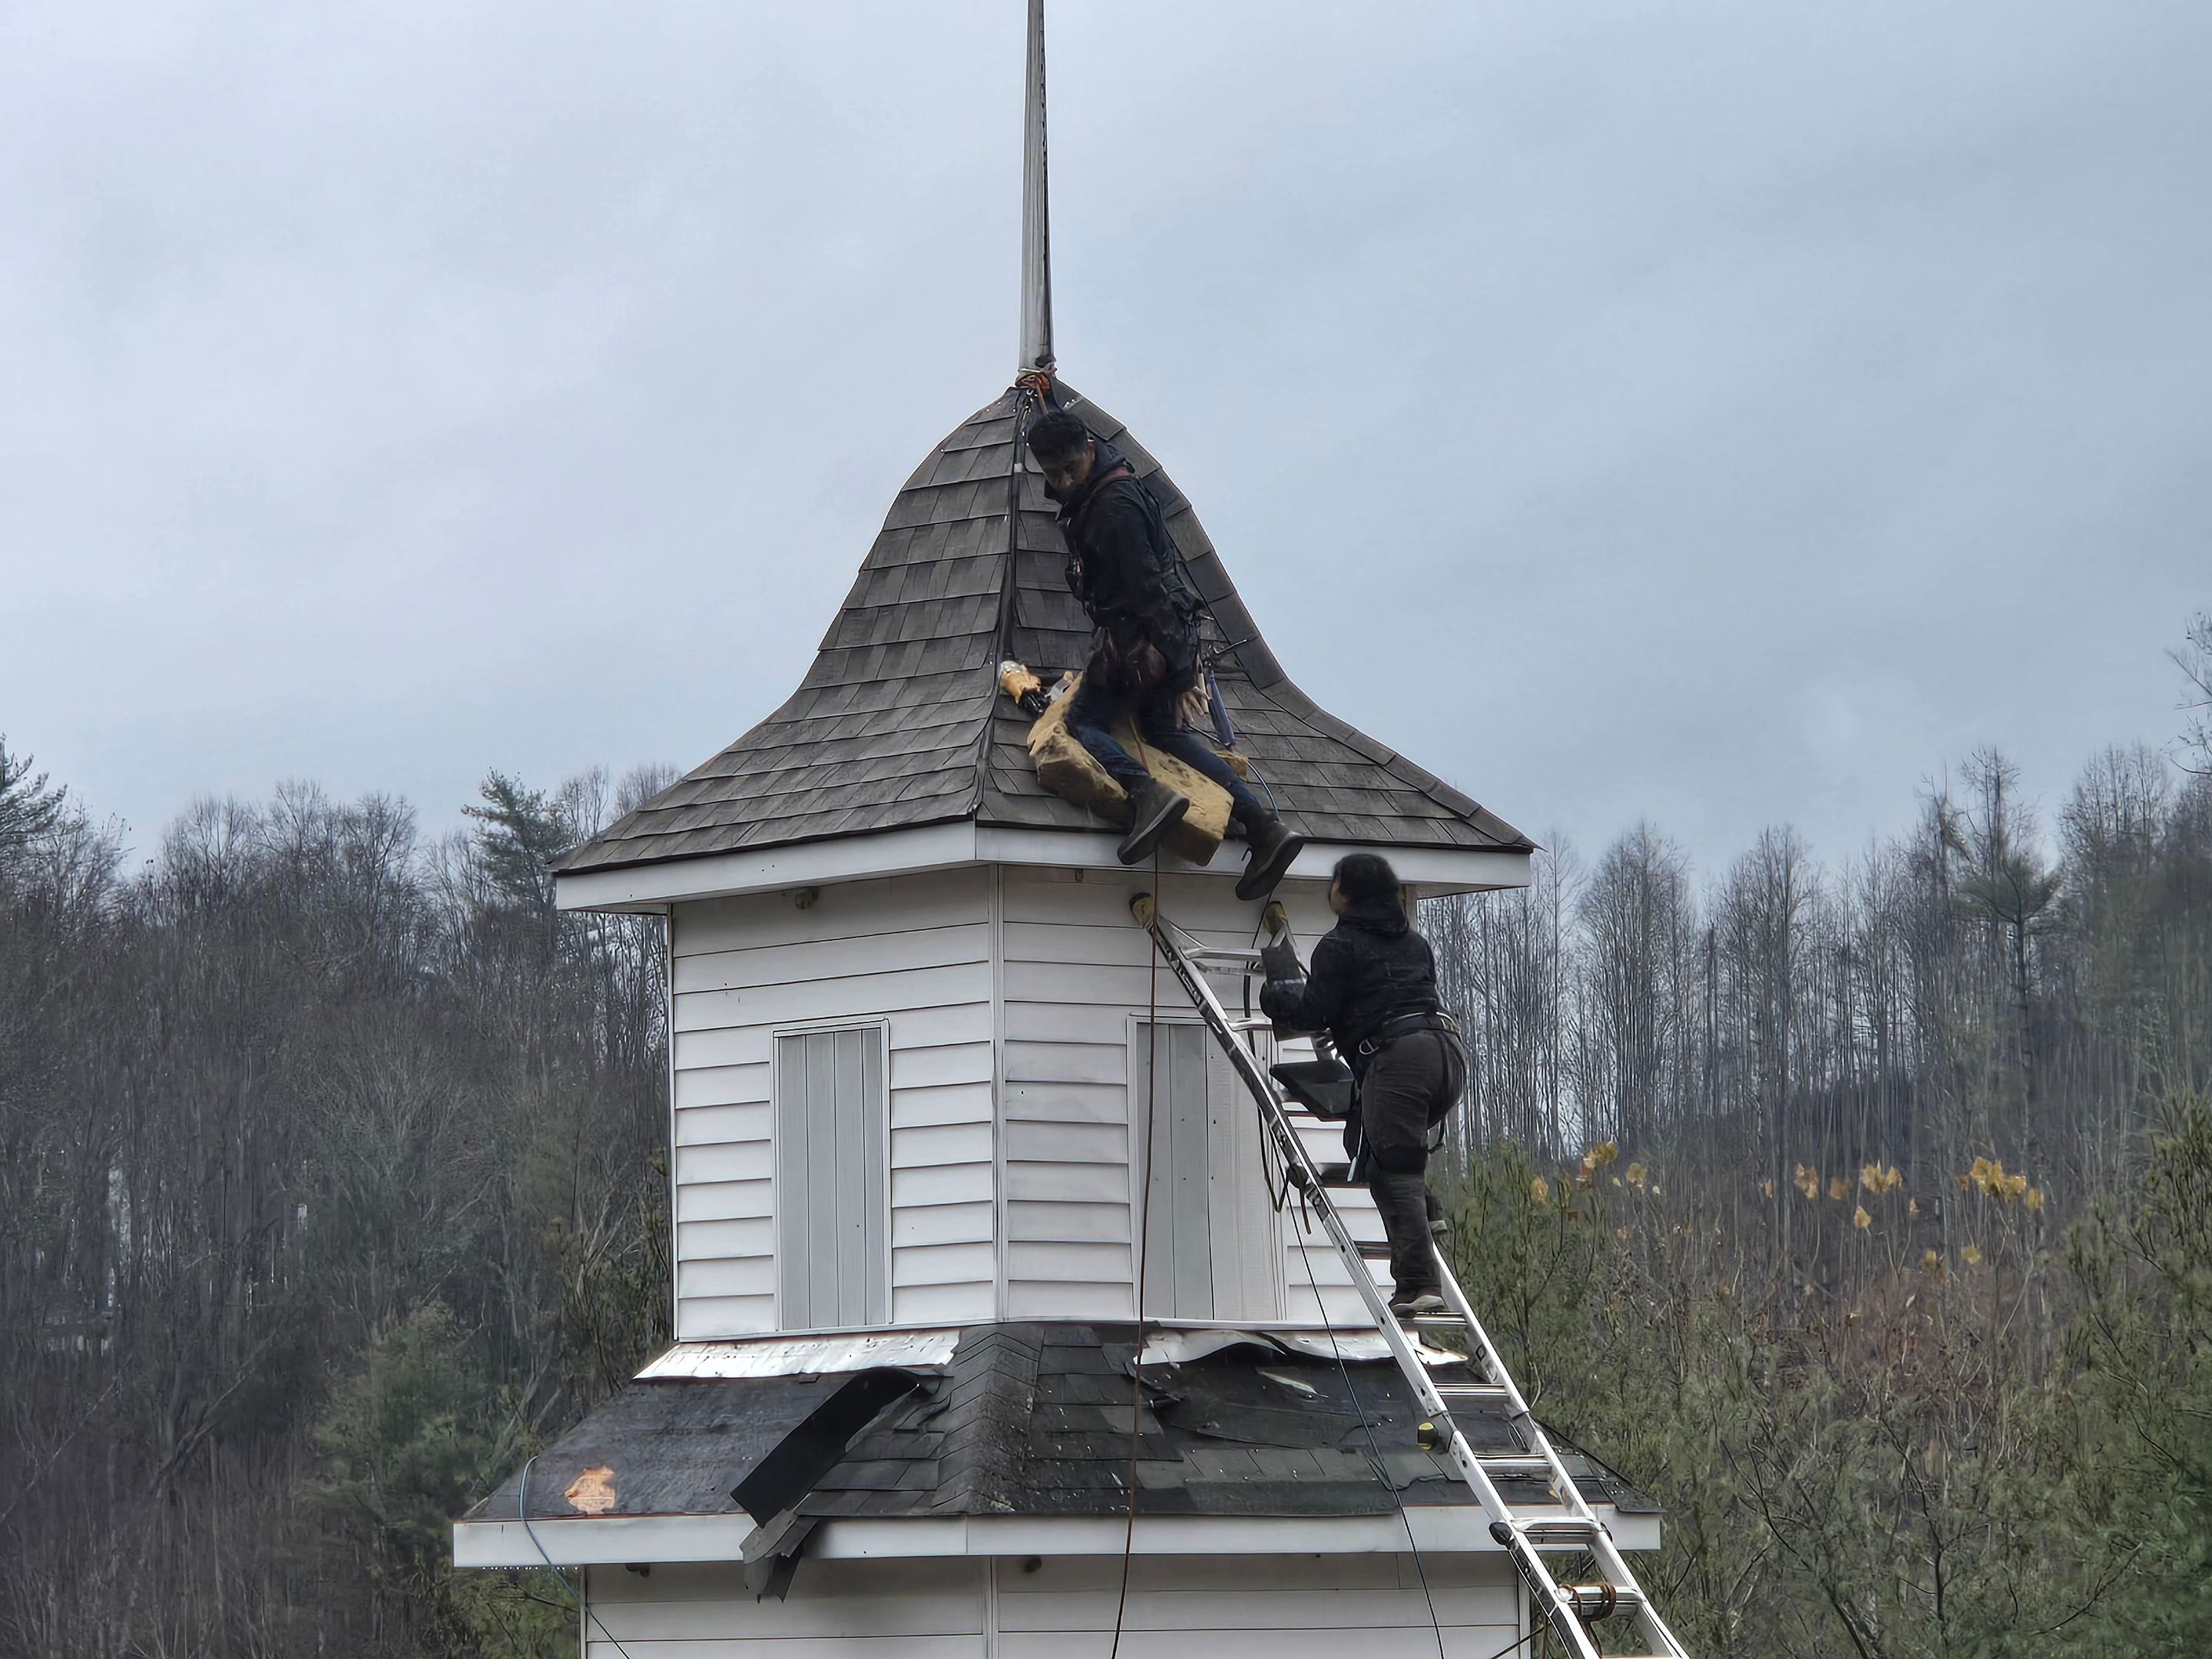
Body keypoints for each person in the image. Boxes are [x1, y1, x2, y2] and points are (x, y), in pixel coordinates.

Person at [1025, 409, 1304, 899]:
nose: (1064, 480)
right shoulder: (1108, 487)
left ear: (1090, 450)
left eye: (1070, 467)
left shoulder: (1113, 510)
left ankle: (1148, 795)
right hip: (1161, 634)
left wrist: (1176, 665)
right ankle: (1263, 828)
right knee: (1165, 732)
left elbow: (1149, 587)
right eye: (1053, 473)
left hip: (1139, 639)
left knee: (1083, 724)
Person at [1260, 852, 1467, 1315]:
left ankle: (1418, 1284)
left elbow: (1313, 1013)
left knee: (1395, 1169)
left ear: (1347, 893)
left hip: (1399, 1061)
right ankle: (1428, 1212)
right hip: (1446, 1055)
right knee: (1380, 1154)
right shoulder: (1413, 944)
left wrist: (1277, 995)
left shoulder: (1339, 945)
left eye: (1334, 883)